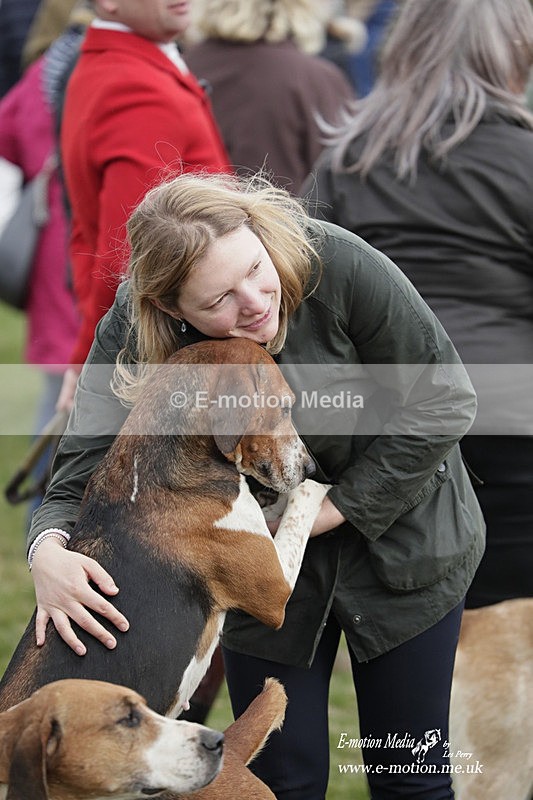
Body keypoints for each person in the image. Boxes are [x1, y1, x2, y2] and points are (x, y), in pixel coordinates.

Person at [27, 171, 485, 799]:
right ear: (169, 309)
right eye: (218, 301)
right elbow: (80, 465)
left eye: (254, 268)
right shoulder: (134, 329)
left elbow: (445, 399)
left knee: (410, 780)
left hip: (405, 548)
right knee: (279, 779)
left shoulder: (340, 264)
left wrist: (336, 508)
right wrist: (46, 548)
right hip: (247, 568)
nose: (253, 301)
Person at [303, 0, 533, 611]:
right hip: (511, 419)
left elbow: (307, 296)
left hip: (391, 422)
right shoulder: (524, 161)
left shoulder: (347, 161)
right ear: (514, 55)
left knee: (425, 635)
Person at [57, 0, 230, 410]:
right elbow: (129, 251)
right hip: (165, 348)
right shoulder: (134, 84)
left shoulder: (121, 63)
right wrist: (89, 359)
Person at [0, 46, 80, 510]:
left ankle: (43, 509)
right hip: (76, 245)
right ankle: (44, 512)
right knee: (63, 398)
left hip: (54, 242)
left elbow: (8, 134)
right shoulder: (102, 65)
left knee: (59, 391)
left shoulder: (42, 72)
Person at [184, 0, 354, 193]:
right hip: (288, 218)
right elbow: (343, 181)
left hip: (194, 216)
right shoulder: (316, 78)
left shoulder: (182, 68)